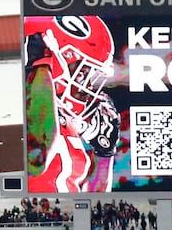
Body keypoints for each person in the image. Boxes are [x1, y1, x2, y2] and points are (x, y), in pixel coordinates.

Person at [24, 15, 119, 193]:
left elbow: (94, 204)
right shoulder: (30, 103)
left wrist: (104, 155)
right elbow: (36, 157)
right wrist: (39, 68)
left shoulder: (65, 120)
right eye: (84, 72)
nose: (87, 85)